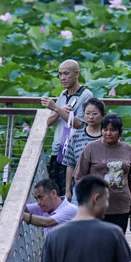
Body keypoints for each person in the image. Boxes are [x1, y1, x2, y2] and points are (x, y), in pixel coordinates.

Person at [74, 113, 131, 234]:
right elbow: (79, 176)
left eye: (112, 130)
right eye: (105, 129)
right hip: (96, 206)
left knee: (117, 238)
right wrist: (85, 201)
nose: (108, 133)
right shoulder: (91, 148)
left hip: (121, 206)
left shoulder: (128, 149)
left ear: (120, 131)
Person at [41, 59, 93, 194]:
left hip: (72, 151)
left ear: (77, 74)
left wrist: (56, 108)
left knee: (69, 191)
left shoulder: (86, 95)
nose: (62, 78)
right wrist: (59, 109)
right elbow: (49, 122)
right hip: (58, 149)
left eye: (66, 74)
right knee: (55, 191)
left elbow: (79, 124)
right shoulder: (63, 94)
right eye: (60, 74)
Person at [22, 178, 77, 262]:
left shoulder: (70, 209)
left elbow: (47, 222)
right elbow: (22, 208)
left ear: (53, 193)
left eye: (41, 197)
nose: (38, 202)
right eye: (36, 199)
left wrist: (21, 215)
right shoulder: (44, 207)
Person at [63, 98, 105, 203]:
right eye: (87, 113)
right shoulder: (76, 136)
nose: (91, 117)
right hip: (80, 187)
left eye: (95, 114)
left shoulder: (108, 137)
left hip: (103, 187)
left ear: (103, 115)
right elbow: (70, 165)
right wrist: (68, 191)